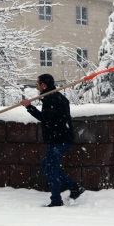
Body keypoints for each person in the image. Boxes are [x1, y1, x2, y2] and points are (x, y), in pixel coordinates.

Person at [21, 73, 85, 207]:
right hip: (61, 138)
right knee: (47, 166)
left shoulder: (51, 98)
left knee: (50, 169)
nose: (36, 86)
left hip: (58, 140)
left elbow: (46, 119)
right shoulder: (55, 97)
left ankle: (56, 200)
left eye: (37, 83)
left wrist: (29, 107)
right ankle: (74, 187)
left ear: (44, 85)